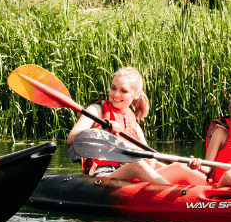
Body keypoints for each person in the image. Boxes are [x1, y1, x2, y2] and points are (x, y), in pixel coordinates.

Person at [67, 66, 196, 184]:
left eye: (123, 91)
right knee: (137, 164)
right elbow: (71, 138)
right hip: (102, 176)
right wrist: (102, 131)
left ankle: (213, 199)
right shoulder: (96, 110)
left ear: (136, 95)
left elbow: (150, 163)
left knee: (181, 167)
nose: (116, 94)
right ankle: (176, 203)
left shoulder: (134, 124)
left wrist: (185, 165)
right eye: (113, 87)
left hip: (129, 175)